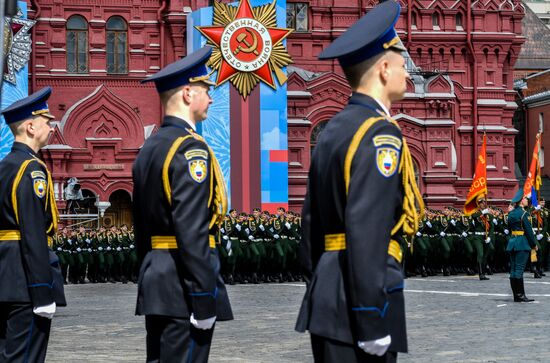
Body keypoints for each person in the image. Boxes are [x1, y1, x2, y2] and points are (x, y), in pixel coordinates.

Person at [295, 2, 424, 362]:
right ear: (383, 69)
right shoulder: (380, 134)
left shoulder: (334, 128)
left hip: (329, 294)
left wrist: (321, 284)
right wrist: (371, 316)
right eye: (402, 64)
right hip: (362, 302)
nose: (406, 72)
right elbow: (368, 228)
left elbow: (310, 227)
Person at [133, 46, 232, 363]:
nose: (211, 98)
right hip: (184, 283)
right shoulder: (190, 148)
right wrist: (203, 296)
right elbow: (192, 228)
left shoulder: (151, 148)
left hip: (158, 274)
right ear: (188, 94)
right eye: (207, 89)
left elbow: (141, 227)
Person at [0, 87, 66, 362]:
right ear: (29, 126)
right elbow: (33, 232)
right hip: (25, 282)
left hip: (6, 277)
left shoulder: (5, 166)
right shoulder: (32, 168)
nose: (52, 127)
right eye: (46, 121)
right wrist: (42, 292)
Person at [507, 190, 536, 302]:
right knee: (519, 269)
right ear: (520, 202)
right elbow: (528, 231)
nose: (526, 200)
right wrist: (533, 244)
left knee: (513, 269)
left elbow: (509, 229)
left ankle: (516, 295)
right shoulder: (524, 214)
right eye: (524, 198)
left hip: (513, 242)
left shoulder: (511, 214)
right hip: (522, 243)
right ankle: (520, 295)